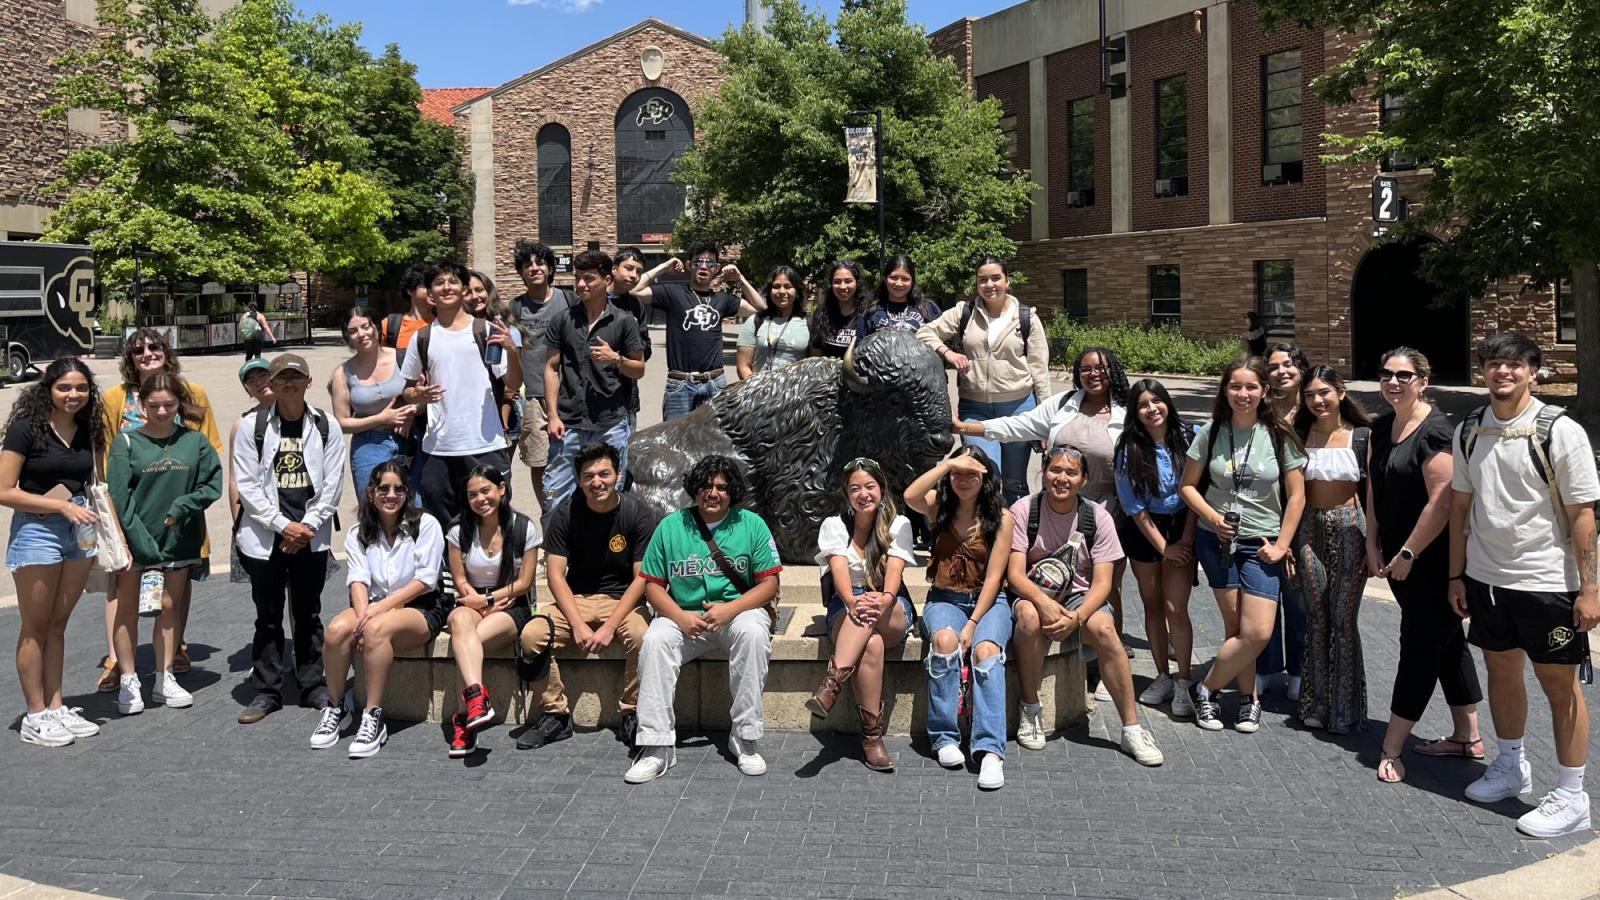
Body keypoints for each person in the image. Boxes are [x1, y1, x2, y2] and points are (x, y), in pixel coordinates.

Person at [1449, 332, 1599, 837]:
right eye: (1493, 363)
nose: (1502, 372)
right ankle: (1511, 764)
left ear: (1534, 372)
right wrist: (1457, 573)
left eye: (1514, 365)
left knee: (1560, 686)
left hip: (1547, 581)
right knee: (1502, 672)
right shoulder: (1470, 428)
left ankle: (1573, 795)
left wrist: (1591, 589)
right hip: (1489, 578)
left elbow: (1583, 517)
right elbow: (1460, 508)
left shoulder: (1560, 431)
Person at [954, 346, 1130, 674]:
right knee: (1056, 578)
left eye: (1102, 368)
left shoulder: (1126, 412)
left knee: (1106, 588)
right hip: (1057, 507)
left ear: (1113, 372)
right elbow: (1017, 426)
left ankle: (1103, 665)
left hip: (1108, 512)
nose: (1094, 374)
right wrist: (966, 428)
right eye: (1087, 368)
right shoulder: (1063, 405)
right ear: (1078, 373)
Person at [1365, 347, 1483, 784]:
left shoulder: (1436, 431)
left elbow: (1444, 500)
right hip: (1397, 560)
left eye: (1403, 375)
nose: (1393, 382)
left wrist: (1409, 553)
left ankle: (1392, 747)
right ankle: (1467, 736)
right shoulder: (1380, 427)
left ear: (1422, 381)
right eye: (1386, 374)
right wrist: (1372, 541)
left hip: (1433, 563)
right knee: (1447, 643)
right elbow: (1374, 488)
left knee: (1418, 648)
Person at [626, 456, 782, 783]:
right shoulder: (671, 526)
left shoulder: (751, 524)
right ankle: (657, 747)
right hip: (684, 616)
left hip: (736, 613)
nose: (713, 493)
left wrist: (731, 609)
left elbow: (769, 585)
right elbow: (652, 585)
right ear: (694, 488)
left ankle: (745, 737)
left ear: (732, 492)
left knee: (754, 634)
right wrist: (680, 617)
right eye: (707, 486)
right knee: (654, 641)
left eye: (722, 488)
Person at [1007, 446, 1164, 765]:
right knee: (1027, 617)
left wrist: (1077, 617)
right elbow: (1014, 575)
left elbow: (1104, 583)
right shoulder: (1024, 510)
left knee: (1106, 629)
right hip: (1035, 593)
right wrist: (1042, 603)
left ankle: (1131, 728)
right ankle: (1030, 708)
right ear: (1043, 471)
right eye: (1055, 470)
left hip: (1080, 596)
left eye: (1071, 472)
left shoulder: (1096, 516)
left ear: (1083, 479)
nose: (1061, 478)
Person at [1179, 357, 1307, 733]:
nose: (1243, 394)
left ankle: (1205, 689)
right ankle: (1249, 700)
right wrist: (1214, 518)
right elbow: (1188, 486)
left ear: (1265, 391)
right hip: (1216, 541)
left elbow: (1297, 496)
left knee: (1258, 632)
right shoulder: (1211, 431)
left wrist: (1283, 545)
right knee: (1236, 628)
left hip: (1262, 544)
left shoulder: (1279, 434)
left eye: (1251, 386)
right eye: (1235, 386)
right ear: (1225, 390)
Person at [96, 329, 223, 692]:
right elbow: (104, 453)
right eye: (137, 350)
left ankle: (175, 646)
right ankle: (119, 659)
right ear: (129, 359)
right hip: (132, 508)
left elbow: (208, 447)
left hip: (178, 508)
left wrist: (190, 499)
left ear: (166, 351)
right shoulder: (114, 398)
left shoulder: (192, 393)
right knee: (121, 586)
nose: (146, 354)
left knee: (178, 583)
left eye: (154, 347)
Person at [519, 442, 657, 750]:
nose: (597, 482)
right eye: (589, 476)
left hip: (624, 600)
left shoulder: (638, 513)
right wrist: (579, 624)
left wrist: (609, 627)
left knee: (643, 637)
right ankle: (555, 715)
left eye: (604, 474)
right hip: (576, 597)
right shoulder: (565, 514)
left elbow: (642, 579)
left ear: (618, 475)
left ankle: (632, 712)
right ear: (579, 480)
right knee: (532, 634)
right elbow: (555, 575)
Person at [232, 353, 346, 724]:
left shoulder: (326, 426)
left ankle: (312, 684)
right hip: (267, 537)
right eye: (283, 379)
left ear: (309, 383)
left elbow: (333, 485)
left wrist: (306, 526)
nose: (290, 384)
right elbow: (247, 487)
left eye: (297, 378)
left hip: (309, 536)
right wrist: (283, 525)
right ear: (273, 383)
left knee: (309, 613)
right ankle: (267, 690)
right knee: (267, 617)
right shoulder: (253, 427)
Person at [0, 358, 107, 746]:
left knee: (59, 624)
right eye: (65, 388)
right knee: (35, 626)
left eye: (81, 388)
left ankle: (56, 705)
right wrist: (61, 506)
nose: (73, 395)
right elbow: (4, 490)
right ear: (48, 389)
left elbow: (96, 480)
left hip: (78, 534)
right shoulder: (26, 430)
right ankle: (35, 714)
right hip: (37, 531)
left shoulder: (88, 429)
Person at [313, 462, 446, 759]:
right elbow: (358, 579)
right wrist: (363, 615)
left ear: (407, 493)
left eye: (399, 488)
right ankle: (334, 707)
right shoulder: (359, 531)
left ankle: (372, 716)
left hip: (419, 607)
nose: (391, 494)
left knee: (374, 629)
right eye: (383, 488)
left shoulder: (426, 525)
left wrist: (375, 614)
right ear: (370, 492)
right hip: (372, 605)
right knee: (336, 630)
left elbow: (425, 580)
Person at [903, 447, 1015, 790]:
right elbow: (910, 495)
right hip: (945, 597)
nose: (964, 480)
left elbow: (996, 578)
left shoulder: (1002, 517)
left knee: (986, 652)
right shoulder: (939, 505)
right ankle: (944, 737)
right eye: (958, 474)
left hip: (988, 600)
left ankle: (990, 750)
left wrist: (973, 623)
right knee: (944, 642)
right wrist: (947, 464)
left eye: (972, 473)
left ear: (985, 477)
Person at [806, 458, 917, 771]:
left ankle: (831, 684)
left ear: (881, 489)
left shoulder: (899, 524)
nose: (863, 494)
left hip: (890, 604)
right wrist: (854, 602)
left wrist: (881, 599)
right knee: (872, 645)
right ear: (846, 494)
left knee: (872, 617)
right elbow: (839, 572)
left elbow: (894, 573)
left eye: (869, 486)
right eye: (855, 488)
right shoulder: (834, 525)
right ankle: (872, 737)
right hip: (848, 604)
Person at [919, 256, 1051, 505]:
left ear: (1007, 281)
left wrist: (1044, 421)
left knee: (1014, 481)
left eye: (995, 278)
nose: (989, 284)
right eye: (983, 279)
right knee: (985, 474)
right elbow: (924, 332)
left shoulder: (1026, 317)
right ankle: (986, 536)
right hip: (974, 408)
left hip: (1019, 408)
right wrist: (948, 352)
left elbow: (1039, 370)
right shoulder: (964, 312)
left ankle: (1015, 536)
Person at [399, 260, 521, 529]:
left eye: (453, 281)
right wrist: (417, 393)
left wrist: (512, 351)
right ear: (430, 294)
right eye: (439, 283)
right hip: (439, 447)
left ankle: (494, 570)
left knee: (491, 519)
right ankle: (452, 571)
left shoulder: (485, 331)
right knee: (443, 522)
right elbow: (406, 391)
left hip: (484, 443)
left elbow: (512, 382)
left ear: (464, 289)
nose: (446, 287)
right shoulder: (422, 337)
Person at [1291, 365, 1372, 734]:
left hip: (1349, 528)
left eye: (1324, 392)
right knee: (1316, 617)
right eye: (1309, 395)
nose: (1317, 400)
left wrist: (1375, 545)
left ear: (1341, 392)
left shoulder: (1362, 436)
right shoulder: (1297, 433)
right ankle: (1315, 703)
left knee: (1342, 620)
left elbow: (1374, 496)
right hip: (1308, 528)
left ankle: (1345, 709)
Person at [442, 466, 541, 758]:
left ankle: (464, 722)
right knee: (460, 620)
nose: (480, 499)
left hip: (510, 607)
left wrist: (487, 599)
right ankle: (476, 700)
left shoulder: (523, 527)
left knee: (468, 644)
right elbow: (459, 578)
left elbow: (523, 583)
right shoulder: (459, 530)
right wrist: (473, 598)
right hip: (471, 604)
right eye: (472, 494)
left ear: (501, 489)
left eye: (486, 491)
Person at [1114, 378, 1198, 715]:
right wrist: (1164, 548)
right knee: (1152, 605)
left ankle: (1184, 680)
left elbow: (1196, 496)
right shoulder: (1128, 447)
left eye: (1156, 401)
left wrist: (1185, 542)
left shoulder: (1190, 436)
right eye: (1143, 405)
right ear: (1135, 413)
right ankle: (1162, 674)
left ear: (1167, 402)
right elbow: (1133, 506)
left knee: (1176, 606)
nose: (1151, 410)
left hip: (1183, 525)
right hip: (1146, 531)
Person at [542, 250, 646, 511]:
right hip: (568, 423)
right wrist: (553, 415)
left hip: (610, 423)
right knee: (556, 494)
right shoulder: (563, 320)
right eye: (578, 278)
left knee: (609, 495)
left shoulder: (623, 322)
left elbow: (639, 369)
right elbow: (552, 368)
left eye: (588, 278)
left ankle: (608, 551)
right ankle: (558, 550)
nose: (580, 284)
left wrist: (616, 359)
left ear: (606, 280)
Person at [630, 240, 766, 419]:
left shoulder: (723, 300)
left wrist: (740, 279)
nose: (704, 266)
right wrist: (664, 266)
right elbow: (634, 290)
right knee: (674, 443)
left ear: (716, 268)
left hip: (715, 383)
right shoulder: (673, 293)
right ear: (689, 265)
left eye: (709, 263)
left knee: (713, 443)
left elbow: (762, 309)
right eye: (698, 262)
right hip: (680, 384)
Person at [1258, 342, 1312, 699]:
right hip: (1263, 513)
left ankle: (1298, 669)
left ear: (1301, 369)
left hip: (1305, 515)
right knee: (1261, 595)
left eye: (1288, 364)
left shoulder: (1315, 410)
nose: (1282, 371)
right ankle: (1264, 666)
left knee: (1297, 597)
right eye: (1274, 366)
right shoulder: (1260, 410)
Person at [508, 241, 574, 513]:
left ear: (549, 268)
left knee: (571, 457)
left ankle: (571, 515)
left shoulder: (568, 300)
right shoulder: (515, 308)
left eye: (539, 263)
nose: (534, 268)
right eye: (527, 265)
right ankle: (548, 512)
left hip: (568, 393)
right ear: (521, 272)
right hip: (533, 396)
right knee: (539, 461)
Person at [328, 306, 415, 500]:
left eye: (366, 326)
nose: (361, 334)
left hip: (408, 442)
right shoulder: (343, 373)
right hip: (368, 444)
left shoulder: (404, 357)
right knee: (373, 504)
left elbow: (423, 396)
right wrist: (380, 419)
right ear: (347, 337)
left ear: (376, 327)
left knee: (413, 503)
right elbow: (342, 422)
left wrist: (412, 411)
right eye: (353, 331)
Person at [227, 359, 275, 584]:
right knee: (265, 592)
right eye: (251, 380)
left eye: (262, 375)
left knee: (302, 596)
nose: (258, 383)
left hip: (294, 512)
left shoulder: (299, 412)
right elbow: (235, 478)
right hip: (256, 515)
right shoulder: (243, 423)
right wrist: (237, 523)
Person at [467, 270, 525, 443]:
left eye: (479, 290)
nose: (475, 296)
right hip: (467, 414)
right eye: (468, 292)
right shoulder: (453, 332)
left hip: (502, 412)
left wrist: (510, 348)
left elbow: (513, 383)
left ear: (489, 292)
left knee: (498, 470)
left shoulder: (507, 330)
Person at [735, 265, 810, 379]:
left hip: (796, 395)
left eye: (787, 286)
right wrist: (755, 390)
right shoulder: (755, 321)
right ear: (769, 291)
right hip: (758, 392)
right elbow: (743, 366)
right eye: (776, 286)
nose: (782, 291)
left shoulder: (809, 324)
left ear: (797, 291)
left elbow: (813, 367)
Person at [609, 247, 652, 431]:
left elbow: (646, 350)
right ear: (613, 268)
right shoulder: (594, 299)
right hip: (591, 397)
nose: (634, 275)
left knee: (623, 456)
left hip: (626, 396)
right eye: (629, 268)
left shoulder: (635, 305)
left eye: (639, 271)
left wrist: (631, 337)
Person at [857, 254, 941, 338]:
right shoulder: (870, 311)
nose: (899, 283)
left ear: (912, 281)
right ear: (885, 279)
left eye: (905, 279)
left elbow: (942, 341)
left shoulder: (928, 309)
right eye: (893, 278)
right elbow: (860, 347)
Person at [807, 259, 868, 359]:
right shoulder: (821, 313)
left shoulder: (868, 314)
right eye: (837, 282)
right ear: (831, 284)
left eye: (848, 281)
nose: (843, 286)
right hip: (827, 372)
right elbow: (815, 355)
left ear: (857, 283)